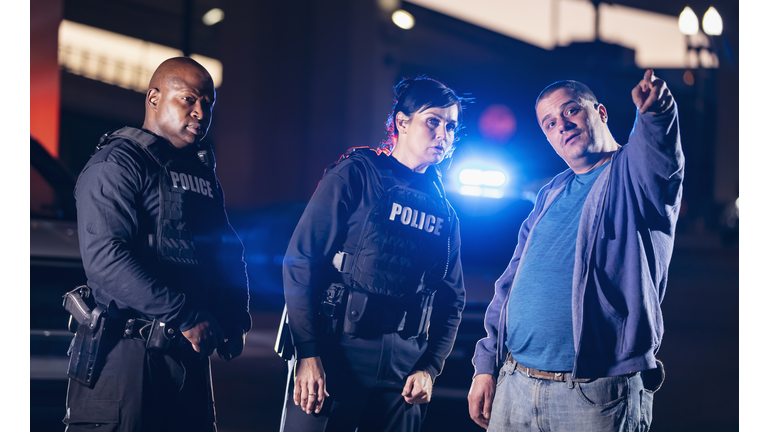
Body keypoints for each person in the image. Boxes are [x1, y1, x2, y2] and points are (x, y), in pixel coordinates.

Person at [468, 69, 683, 432]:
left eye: (570, 111)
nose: (562, 125)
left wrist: (657, 112)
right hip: (516, 383)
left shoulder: (635, 176)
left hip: (592, 393)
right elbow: (510, 283)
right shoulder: (550, 192)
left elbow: (659, 151)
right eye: (549, 123)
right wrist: (486, 365)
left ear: (600, 113)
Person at [63, 57, 251, 432]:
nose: (200, 112)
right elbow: (106, 260)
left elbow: (226, 249)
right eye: (189, 100)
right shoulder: (117, 164)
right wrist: (188, 315)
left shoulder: (199, 174)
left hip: (186, 356)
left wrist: (233, 317)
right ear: (154, 97)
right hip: (126, 356)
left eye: (208, 104)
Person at [279, 76, 468, 432]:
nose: (443, 134)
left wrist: (430, 367)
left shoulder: (445, 212)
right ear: (402, 122)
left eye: (451, 126)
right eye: (433, 121)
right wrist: (307, 352)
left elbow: (452, 299)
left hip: (402, 378)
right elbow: (301, 261)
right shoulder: (356, 174)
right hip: (335, 360)